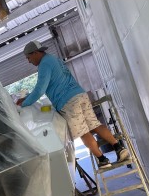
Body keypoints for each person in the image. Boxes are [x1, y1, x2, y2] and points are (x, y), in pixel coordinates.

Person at [15, 40, 129, 169]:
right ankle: (119, 148)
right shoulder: (53, 59)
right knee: (94, 124)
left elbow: (40, 89)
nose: (29, 61)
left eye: (28, 57)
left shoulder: (44, 65)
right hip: (80, 95)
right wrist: (27, 97)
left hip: (68, 102)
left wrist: (24, 103)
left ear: (35, 53)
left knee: (82, 132)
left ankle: (102, 160)